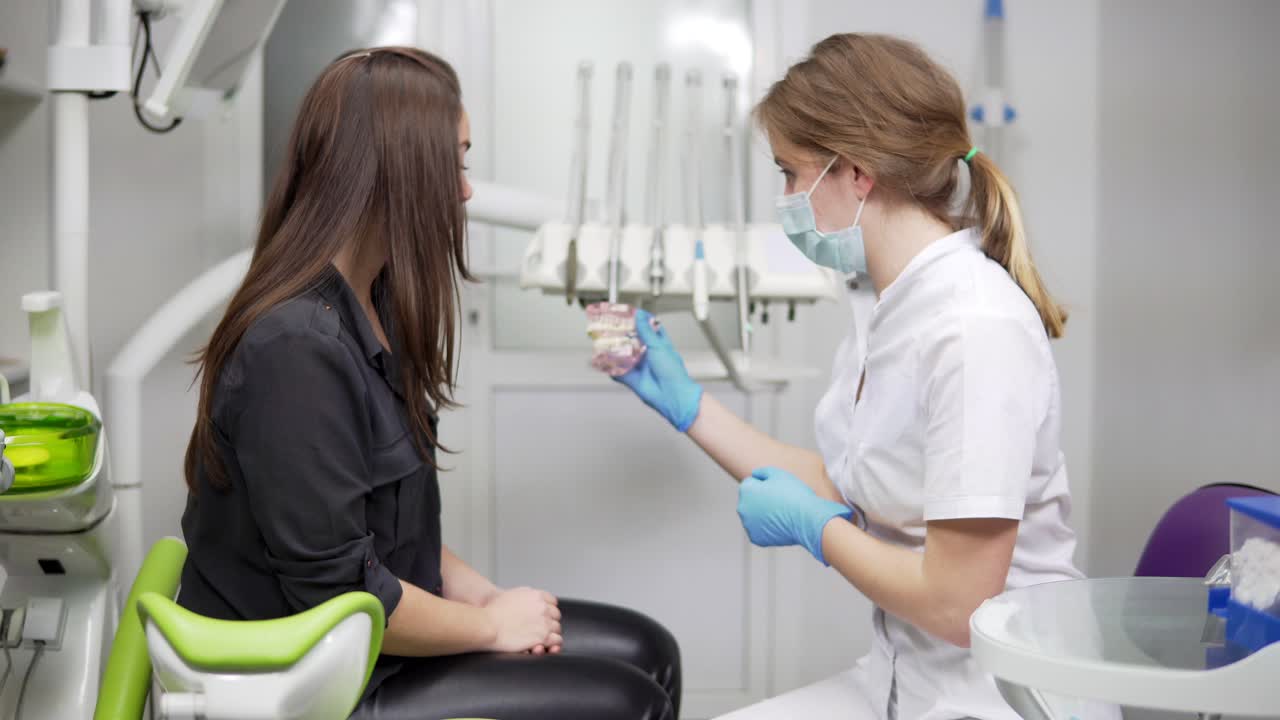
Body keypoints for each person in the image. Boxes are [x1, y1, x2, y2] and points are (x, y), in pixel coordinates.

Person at [178, 47, 679, 720]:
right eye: (457, 161)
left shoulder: (374, 310)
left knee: (649, 651)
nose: (467, 190)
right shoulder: (296, 349)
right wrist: (494, 627)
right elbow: (336, 597)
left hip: (376, 641)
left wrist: (485, 599)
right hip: (316, 679)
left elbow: (392, 530)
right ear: (397, 168)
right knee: (628, 701)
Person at [617, 33, 1082, 720]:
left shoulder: (974, 328)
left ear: (855, 173)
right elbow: (856, 483)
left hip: (995, 698)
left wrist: (819, 532)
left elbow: (959, 605)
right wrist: (688, 407)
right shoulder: (885, 306)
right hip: (904, 680)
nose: (784, 198)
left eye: (788, 173)